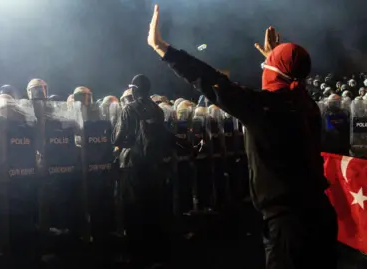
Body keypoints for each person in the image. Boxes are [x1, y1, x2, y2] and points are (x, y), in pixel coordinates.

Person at [147, 5, 337, 269]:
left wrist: (162, 48)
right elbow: (289, 84)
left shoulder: (264, 108)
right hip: (321, 216)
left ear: (275, 72)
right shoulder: (306, 105)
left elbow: (212, 82)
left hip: (289, 227)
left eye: (267, 65)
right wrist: (276, 57)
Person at [113, 74, 170, 267]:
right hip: (153, 165)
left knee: (133, 210)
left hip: (133, 164)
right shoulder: (158, 110)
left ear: (135, 90)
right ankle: (155, 253)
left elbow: (119, 138)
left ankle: (136, 256)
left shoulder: (129, 109)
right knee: (152, 207)